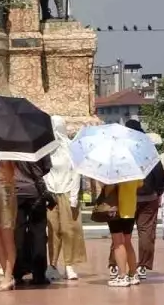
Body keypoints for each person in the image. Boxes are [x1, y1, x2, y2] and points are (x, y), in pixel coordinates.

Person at [110, 120, 164, 279]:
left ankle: (114, 264)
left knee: (119, 233)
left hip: (125, 197)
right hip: (148, 197)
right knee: (146, 232)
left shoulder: (120, 150)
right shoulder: (149, 150)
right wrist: (158, 191)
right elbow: (159, 174)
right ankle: (143, 265)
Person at [44, 115, 86, 281]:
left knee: (69, 230)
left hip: (68, 191)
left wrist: (74, 197)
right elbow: (44, 172)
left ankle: (69, 264)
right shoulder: (46, 150)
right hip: (51, 193)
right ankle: (52, 264)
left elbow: (76, 173)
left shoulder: (71, 148)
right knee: (53, 230)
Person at [12, 158, 53, 287]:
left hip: (16, 192)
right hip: (36, 193)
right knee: (39, 234)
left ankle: (17, 272)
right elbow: (46, 168)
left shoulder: (10, 145)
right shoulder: (39, 144)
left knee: (17, 233)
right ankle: (39, 274)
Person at [96, 177, 142, 288]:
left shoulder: (114, 172)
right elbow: (140, 184)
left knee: (118, 242)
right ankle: (133, 274)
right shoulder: (134, 171)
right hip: (130, 208)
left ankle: (122, 276)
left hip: (116, 209)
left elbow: (108, 186)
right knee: (127, 242)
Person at [0, 158, 18, 291]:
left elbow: (11, 174)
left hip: (6, 193)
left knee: (7, 236)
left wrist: (4, 163)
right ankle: (7, 273)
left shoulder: (9, 154)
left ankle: (8, 275)